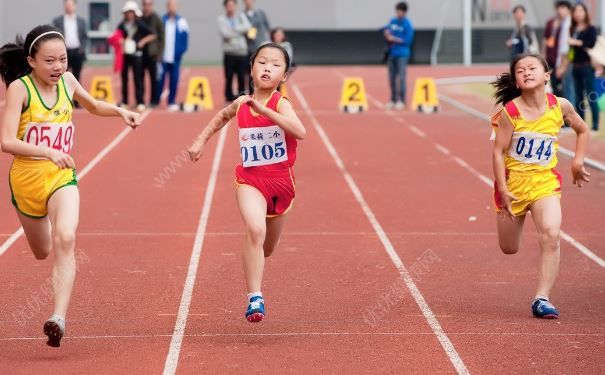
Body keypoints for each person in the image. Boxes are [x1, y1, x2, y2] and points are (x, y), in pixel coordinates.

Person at [0, 24, 140, 347]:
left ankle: (58, 318)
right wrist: (48, 151)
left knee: (66, 237)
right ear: (31, 61)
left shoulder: (68, 82)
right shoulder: (20, 90)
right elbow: (7, 141)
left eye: (62, 59)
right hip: (26, 180)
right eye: (49, 61)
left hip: (61, 177)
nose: (58, 67)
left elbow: (91, 106)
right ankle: (46, 230)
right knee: (42, 250)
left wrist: (120, 111)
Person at [187, 43, 305, 323]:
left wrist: (265, 112)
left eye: (275, 65)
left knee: (266, 249)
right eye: (262, 62)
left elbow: (300, 131)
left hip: (281, 184)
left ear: (284, 76)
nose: (267, 68)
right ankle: (255, 297)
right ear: (252, 67)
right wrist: (200, 140)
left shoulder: (281, 103)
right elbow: (221, 116)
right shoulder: (242, 103)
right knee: (254, 228)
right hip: (250, 179)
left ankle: (256, 264)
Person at [490, 53, 590, 319]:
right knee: (509, 248)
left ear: (546, 76)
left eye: (532, 68)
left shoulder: (561, 105)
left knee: (551, 234)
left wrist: (577, 162)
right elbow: (498, 153)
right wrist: (503, 189)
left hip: (545, 183)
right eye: (520, 70)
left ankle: (542, 298)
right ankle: (510, 209)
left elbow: (582, 129)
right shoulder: (510, 113)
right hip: (513, 186)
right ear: (516, 81)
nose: (526, 72)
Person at [564, 3, 599, 132]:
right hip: (575, 67)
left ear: (585, 12)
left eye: (580, 10)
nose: (578, 13)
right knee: (578, 97)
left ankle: (595, 125)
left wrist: (576, 42)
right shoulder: (573, 29)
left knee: (590, 95)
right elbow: (570, 51)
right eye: (576, 11)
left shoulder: (591, 29)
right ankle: (581, 124)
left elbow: (591, 43)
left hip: (587, 66)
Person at [116, 1, 155, 112]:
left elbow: (152, 34)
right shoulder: (122, 25)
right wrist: (120, 41)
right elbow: (116, 35)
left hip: (137, 55)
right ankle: (125, 101)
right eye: (127, 12)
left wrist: (142, 42)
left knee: (138, 78)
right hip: (125, 55)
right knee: (124, 78)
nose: (129, 14)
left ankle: (140, 101)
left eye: (131, 12)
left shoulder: (140, 24)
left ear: (134, 13)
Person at [52, 0, 88, 107]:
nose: (68, 7)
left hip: (77, 52)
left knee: (77, 77)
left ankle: (77, 101)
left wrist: (83, 48)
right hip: (63, 53)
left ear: (75, 6)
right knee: (61, 77)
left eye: (71, 4)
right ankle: (62, 100)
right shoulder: (58, 21)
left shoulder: (81, 21)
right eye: (66, 4)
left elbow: (85, 36)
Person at [158, 0, 189, 112]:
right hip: (163, 57)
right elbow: (158, 37)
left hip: (175, 58)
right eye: (170, 5)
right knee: (160, 80)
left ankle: (171, 101)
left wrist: (180, 52)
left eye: (174, 5)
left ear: (177, 7)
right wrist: (159, 53)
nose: (172, 8)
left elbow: (185, 38)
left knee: (174, 80)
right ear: (167, 7)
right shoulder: (162, 20)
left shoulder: (181, 21)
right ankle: (156, 101)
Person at [382, 2, 414, 110]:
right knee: (391, 78)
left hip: (402, 54)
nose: (397, 13)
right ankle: (393, 99)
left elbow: (408, 40)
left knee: (402, 78)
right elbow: (386, 29)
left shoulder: (407, 24)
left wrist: (394, 39)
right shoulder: (393, 21)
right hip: (392, 53)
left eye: (399, 11)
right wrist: (386, 33)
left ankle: (402, 100)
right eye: (396, 11)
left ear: (404, 12)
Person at [218, 0, 251, 102]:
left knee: (242, 76)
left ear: (235, 6)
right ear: (225, 7)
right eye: (228, 5)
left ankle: (241, 98)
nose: (230, 7)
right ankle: (228, 98)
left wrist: (233, 29)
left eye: (232, 5)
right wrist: (239, 32)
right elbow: (225, 34)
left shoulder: (241, 16)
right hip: (229, 53)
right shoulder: (221, 19)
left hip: (241, 52)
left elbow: (248, 27)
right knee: (229, 77)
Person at [542, 1, 575, 106]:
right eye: (559, 8)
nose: (561, 10)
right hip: (554, 60)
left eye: (563, 8)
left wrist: (564, 65)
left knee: (568, 91)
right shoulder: (551, 23)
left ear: (569, 9)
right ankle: (560, 114)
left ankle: (568, 117)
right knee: (556, 87)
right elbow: (545, 39)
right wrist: (543, 55)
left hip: (565, 62)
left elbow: (570, 48)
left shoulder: (569, 24)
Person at [243, 0, 270, 94]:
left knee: (264, 71)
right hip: (249, 49)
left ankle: (264, 92)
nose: (248, 2)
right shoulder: (242, 16)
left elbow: (267, 27)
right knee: (251, 73)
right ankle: (251, 94)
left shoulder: (261, 13)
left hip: (261, 48)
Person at [141, 0, 164, 108]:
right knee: (140, 78)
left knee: (153, 78)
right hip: (140, 54)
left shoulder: (156, 18)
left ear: (152, 5)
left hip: (153, 53)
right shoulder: (139, 18)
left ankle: (154, 101)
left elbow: (161, 36)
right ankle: (140, 100)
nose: (147, 7)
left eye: (149, 4)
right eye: (145, 4)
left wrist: (160, 52)